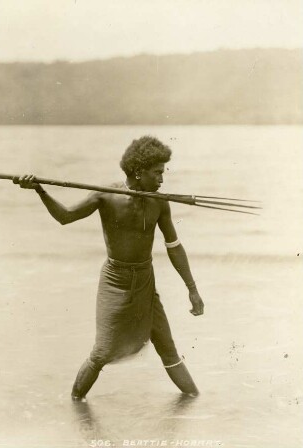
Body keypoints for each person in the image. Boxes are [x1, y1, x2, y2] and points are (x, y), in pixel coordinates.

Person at [17, 135, 204, 400]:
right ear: (138, 172)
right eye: (157, 173)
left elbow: (173, 245)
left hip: (145, 280)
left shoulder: (159, 201)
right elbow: (65, 217)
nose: (162, 181)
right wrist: (40, 190)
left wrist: (192, 289)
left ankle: (197, 402)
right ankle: (76, 407)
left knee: (168, 347)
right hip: (115, 281)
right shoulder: (106, 197)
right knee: (102, 352)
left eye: (163, 173)